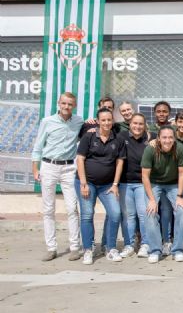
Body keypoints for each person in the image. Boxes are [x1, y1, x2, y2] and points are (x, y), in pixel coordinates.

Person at [32, 92, 85, 261]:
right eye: (64, 103)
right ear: (58, 103)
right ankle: (51, 247)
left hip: (69, 167)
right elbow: (38, 146)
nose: (66, 107)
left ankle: (75, 247)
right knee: (48, 209)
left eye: (70, 104)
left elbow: (87, 133)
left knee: (72, 208)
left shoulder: (78, 121)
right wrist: (35, 168)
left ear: (74, 106)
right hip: (49, 166)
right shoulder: (47, 122)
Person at [75, 107, 126, 265]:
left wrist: (116, 184)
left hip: (107, 186)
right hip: (86, 183)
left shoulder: (117, 139)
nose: (106, 123)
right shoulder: (88, 137)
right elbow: (80, 159)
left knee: (115, 213)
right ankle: (88, 249)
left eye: (109, 120)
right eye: (103, 120)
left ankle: (110, 248)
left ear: (113, 121)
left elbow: (120, 162)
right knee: (87, 215)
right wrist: (83, 183)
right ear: (97, 121)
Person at [141, 126, 183, 263]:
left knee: (182, 210)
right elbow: (145, 176)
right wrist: (151, 199)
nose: (167, 140)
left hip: (174, 184)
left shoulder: (180, 149)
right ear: (159, 138)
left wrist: (180, 196)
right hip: (154, 183)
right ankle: (155, 250)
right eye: (164, 137)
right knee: (150, 211)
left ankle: (178, 249)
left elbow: (182, 173)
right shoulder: (150, 149)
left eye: (170, 137)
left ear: (174, 138)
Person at [118, 113, 154, 258]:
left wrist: (155, 140)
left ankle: (146, 244)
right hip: (125, 183)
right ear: (130, 124)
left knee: (143, 214)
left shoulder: (151, 138)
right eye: (135, 123)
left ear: (145, 125)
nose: (137, 126)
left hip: (142, 184)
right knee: (128, 216)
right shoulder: (122, 137)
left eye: (140, 124)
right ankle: (129, 244)